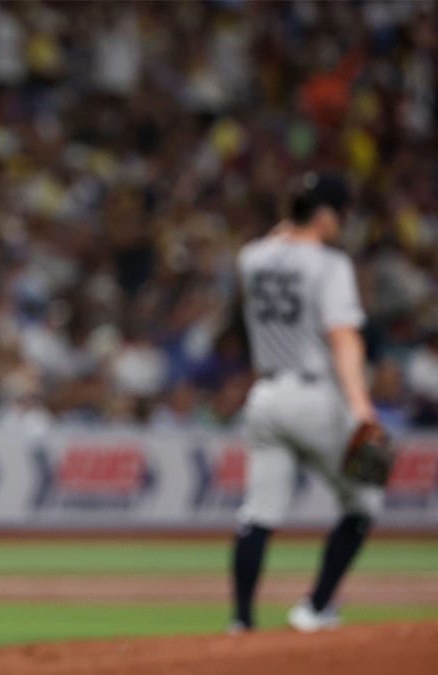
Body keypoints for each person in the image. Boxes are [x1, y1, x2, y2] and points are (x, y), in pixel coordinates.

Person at [229, 173, 383, 633]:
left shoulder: (251, 257)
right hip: (316, 396)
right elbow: (343, 337)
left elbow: (277, 243)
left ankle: (241, 621)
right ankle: (315, 608)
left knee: (258, 514)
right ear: (322, 215)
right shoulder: (330, 265)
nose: (343, 221)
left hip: (265, 396)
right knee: (365, 500)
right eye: (339, 212)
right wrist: (361, 405)